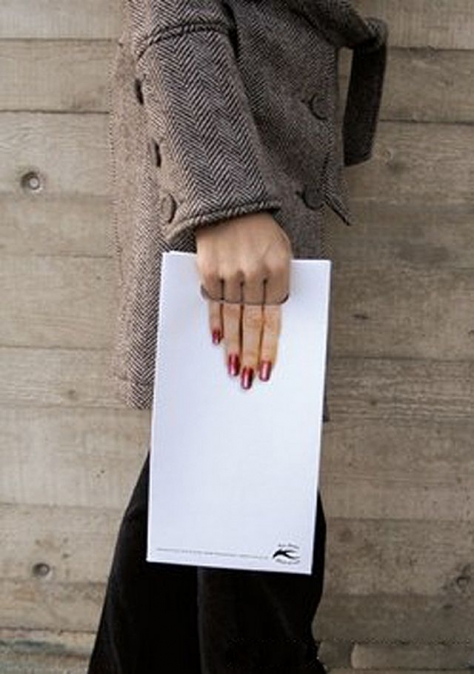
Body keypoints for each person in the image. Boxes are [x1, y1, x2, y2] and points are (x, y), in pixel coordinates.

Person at [88, 0, 388, 671]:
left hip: (253, 131)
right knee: (247, 522)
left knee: (206, 516)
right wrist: (222, 197)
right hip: (233, 159)